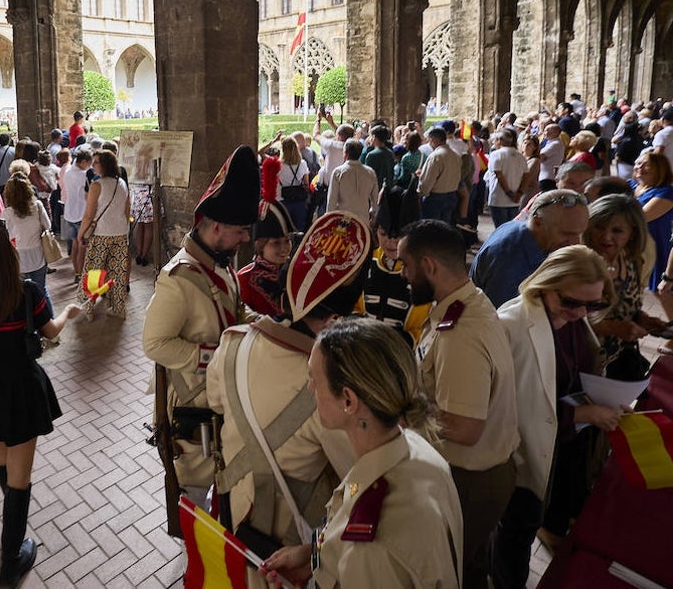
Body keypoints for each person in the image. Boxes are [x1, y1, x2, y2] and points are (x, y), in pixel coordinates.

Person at [209, 212, 371, 573]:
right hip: (290, 547)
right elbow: (360, 476)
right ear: (336, 319)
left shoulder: (233, 344)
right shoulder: (333, 390)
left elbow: (219, 403)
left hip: (231, 515)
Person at [259, 318, 463, 588]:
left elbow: (371, 557)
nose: (310, 388)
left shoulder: (371, 546)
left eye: (313, 378)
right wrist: (314, 558)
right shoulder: (416, 448)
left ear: (348, 400)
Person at [0, 220, 79, 587]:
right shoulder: (27, 293)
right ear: (8, 254)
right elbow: (50, 333)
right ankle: (11, 556)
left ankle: (11, 514)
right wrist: (70, 313)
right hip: (22, 388)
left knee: (3, 457)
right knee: (22, 478)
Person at [490, 246, 623, 587]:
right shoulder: (513, 325)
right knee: (517, 534)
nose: (582, 312)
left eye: (593, 304)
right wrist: (582, 412)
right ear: (545, 285)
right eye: (572, 302)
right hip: (525, 452)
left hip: (564, 444)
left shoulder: (569, 319)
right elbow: (510, 406)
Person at [399, 219, 518, 588]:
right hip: (476, 475)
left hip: (469, 480)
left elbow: (465, 428)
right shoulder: (466, 303)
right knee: (468, 567)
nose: (402, 274)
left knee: (444, 571)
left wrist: (400, 416)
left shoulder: (461, 332)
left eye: (406, 264)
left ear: (429, 266)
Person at [142, 145, 260, 501]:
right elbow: (154, 344)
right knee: (192, 496)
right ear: (217, 227)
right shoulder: (177, 278)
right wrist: (217, 354)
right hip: (192, 406)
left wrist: (263, 326)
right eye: (241, 230)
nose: (246, 239)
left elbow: (234, 310)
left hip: (219, 396)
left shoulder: (220, 259)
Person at [584, 194, 667, 378]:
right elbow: (564, 318)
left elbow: (624, 305)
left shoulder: (631, 261)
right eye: (599, 227)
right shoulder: (581, 264)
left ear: (633, 233)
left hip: (620, 359)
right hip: (587, 362)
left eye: (617, 230)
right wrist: (612, 327)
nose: (606, 236)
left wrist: (640, 318)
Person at [470, 188, 590, 308]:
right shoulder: (511, 259)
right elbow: (502, 316)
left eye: (580, 233)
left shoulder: (524, 229)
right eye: (567, 234)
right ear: (538, 223)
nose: (576, 242)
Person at [361, 180, 429, 344]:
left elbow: (426, 326)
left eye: (398, 236)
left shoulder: (423, 272)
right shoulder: (364, 261)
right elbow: (351, 306)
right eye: (383, 234)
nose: (391, 243)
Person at [77, 149, 131, 318]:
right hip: (120, 234)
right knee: (117, 273)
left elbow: (89, 215)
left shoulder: (97, 185)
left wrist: (81, 234)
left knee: (93, 272)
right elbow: (127, 211)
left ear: (105, 165)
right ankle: (117, 308)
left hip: (101, 234)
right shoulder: (121, 183)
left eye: (96, 163)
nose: (93, 166)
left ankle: (88, 307)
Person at [237, 200, 294, 320]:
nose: (284, 249)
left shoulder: (296, 272)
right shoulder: (244, 279)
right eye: (276, 243)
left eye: (287, 241)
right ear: (261, 246)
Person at [3, 170, 53, 294]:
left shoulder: (7, 213)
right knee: (41, 291)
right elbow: (48, 225)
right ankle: (47, 314)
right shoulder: (37, 205)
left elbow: (6, 236)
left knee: (20, 293)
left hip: (18, 257)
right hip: (38, 254)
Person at [632, 151, 673, 291]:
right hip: (639, 248)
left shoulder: (666, 192)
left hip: (659, 247)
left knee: (662, 292)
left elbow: (640, 218)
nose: (639, 167)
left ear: (660, 169)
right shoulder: (632, 185)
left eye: (646, 165)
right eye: (638, 163)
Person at [417, 126, 462, 223]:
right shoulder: (455, 155)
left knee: (431, 227)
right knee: (444, 227)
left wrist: (421, 194)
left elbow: (428, 180)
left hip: (435, 198)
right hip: (451, 195)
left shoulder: (436, 156)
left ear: (434, 140)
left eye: (430, 140)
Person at [486, 128, 529, 226]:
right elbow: (526, 176)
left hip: (499, 198)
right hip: (515, 200)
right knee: (510, 228)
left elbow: (499, 176)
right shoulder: (520, 156)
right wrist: (519, 193)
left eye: (495, 140)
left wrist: (509, 194)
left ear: (500, 141)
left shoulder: (496, 154)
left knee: (500, 229)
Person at [327, 139, 378, 220]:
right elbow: (375, 198)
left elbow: (332, 200)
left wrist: (329, 219)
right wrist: (373, 213)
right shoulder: (370, 172)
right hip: (363, 218)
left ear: (345, 153)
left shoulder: (338, 172)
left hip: (342, 219)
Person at [61, 148, 92, 273]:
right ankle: (81, 273)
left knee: (74, 244)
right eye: (89, 164)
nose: (89, 167)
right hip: (81, 213)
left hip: (69, 212)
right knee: (82, 246)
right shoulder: (83, 175)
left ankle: (76, 272)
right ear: (83, 161)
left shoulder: (68, 172)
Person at [275, 136, 311, 231]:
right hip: (299, 201)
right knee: (299, 229)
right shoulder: (302, 163)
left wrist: (274, 140)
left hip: (282, 200)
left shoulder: (277, 165)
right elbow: (306, 183)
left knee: (283, 229)